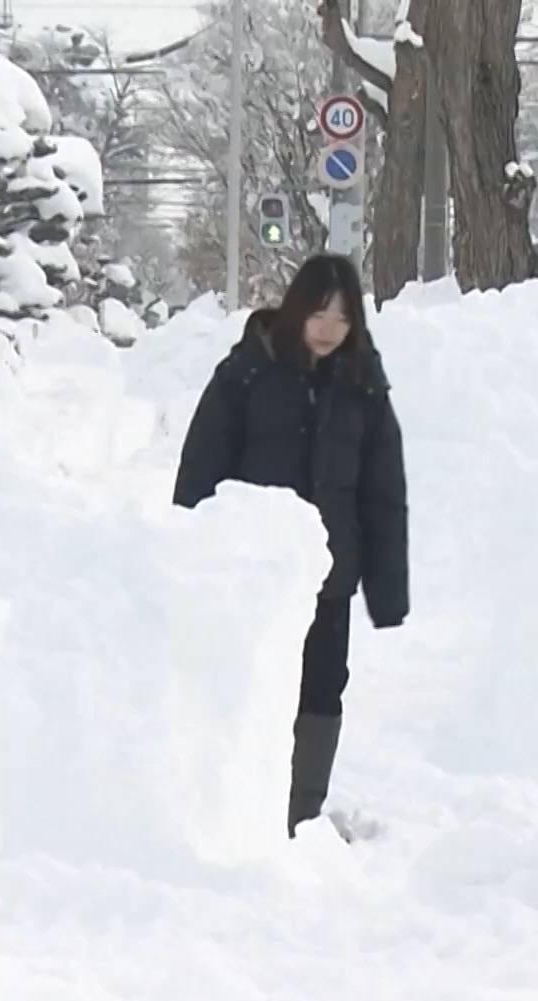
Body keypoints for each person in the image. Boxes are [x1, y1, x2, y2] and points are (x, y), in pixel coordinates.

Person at [171, 254, 408, 840]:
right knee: (251, 681)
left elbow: (383, 492)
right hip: (252, 572)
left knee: (323, 686)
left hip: (330, 573)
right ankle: (235, 804)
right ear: (297, 307)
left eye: (343, 318)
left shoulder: (364, 388)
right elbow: (200, 465)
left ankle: (299, 816)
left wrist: (385, 587)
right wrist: (188, 553)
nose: (328, 328)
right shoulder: (248, 373)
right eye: (319, 313)